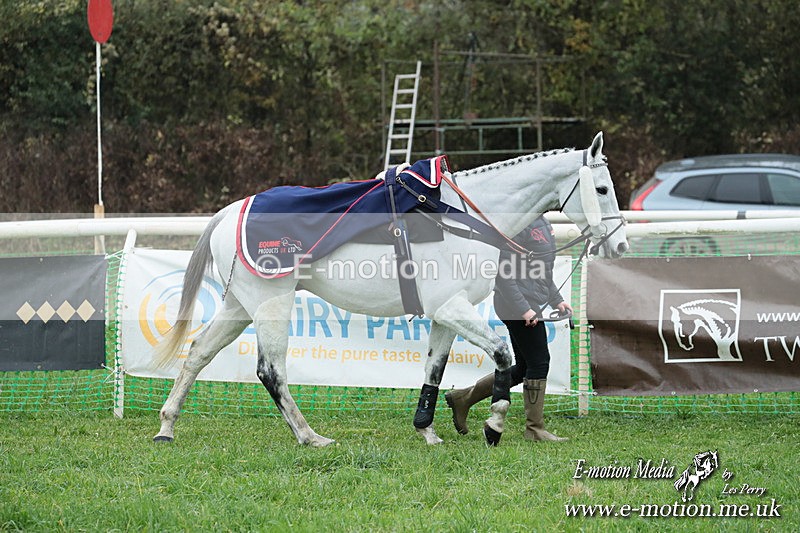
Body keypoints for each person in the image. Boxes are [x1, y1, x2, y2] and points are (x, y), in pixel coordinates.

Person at [445, 214, 572, 441]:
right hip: (516, 304)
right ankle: (535, 429)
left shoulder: (542, 222)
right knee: (539, 361)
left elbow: (542, 270)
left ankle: (462, 399)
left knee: (524, 367)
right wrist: (523, 309)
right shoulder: (517, 223)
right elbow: (503, 273)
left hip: (529, 302)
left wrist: (557, 299)